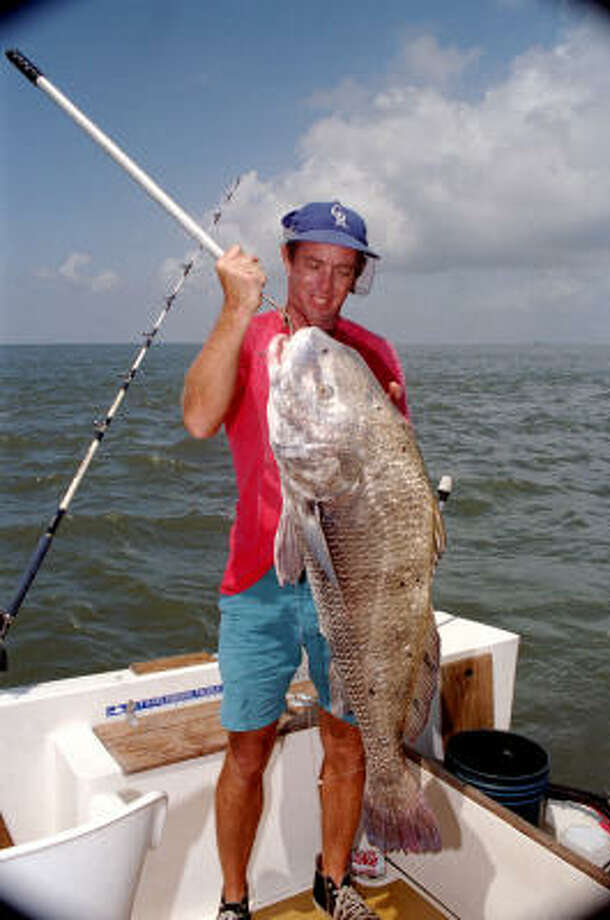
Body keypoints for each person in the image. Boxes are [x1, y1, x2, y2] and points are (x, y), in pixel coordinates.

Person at [183, 201, 409, 920]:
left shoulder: (373, 353)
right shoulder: (249, 340)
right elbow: (196, 418)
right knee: (247, 747)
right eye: (313, 266)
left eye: (344, 272)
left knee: (348, 744)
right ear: (287, 262)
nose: (325, 286)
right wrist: (232, 309)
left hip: (349, 581)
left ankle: (332, 882)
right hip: (257, 583)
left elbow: (397, 486)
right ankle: (234, 900)